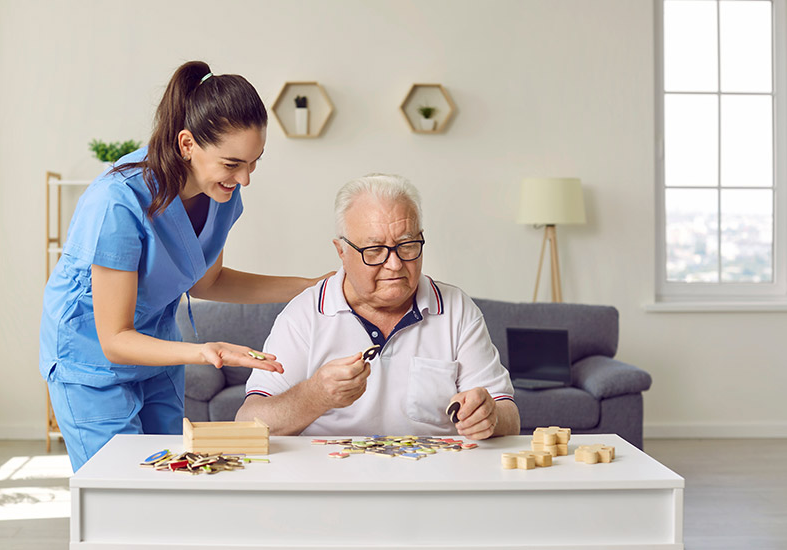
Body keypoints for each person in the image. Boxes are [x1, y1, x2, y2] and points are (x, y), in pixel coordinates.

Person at [40, 61, 330, 471]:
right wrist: (204, 351)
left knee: (167, 478)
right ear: (187, 144)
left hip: (156, 348)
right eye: (232, 164)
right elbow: (115, 338)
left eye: (253, 163)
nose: (245, 179)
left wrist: (312, 285)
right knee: (120, 486)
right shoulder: (117, 203)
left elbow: (208, 281)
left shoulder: (221, 195)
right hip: (91, 359)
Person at [237, 174, 520, 439]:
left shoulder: (456, 308)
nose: (395, 265)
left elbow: (509, 416)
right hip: (332, 483)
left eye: (407, 245)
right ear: (341, 252)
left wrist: (490, 417)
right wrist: (315, 395)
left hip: (432, 482)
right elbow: (247, 424)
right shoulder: (304, 314)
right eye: (374, 251)